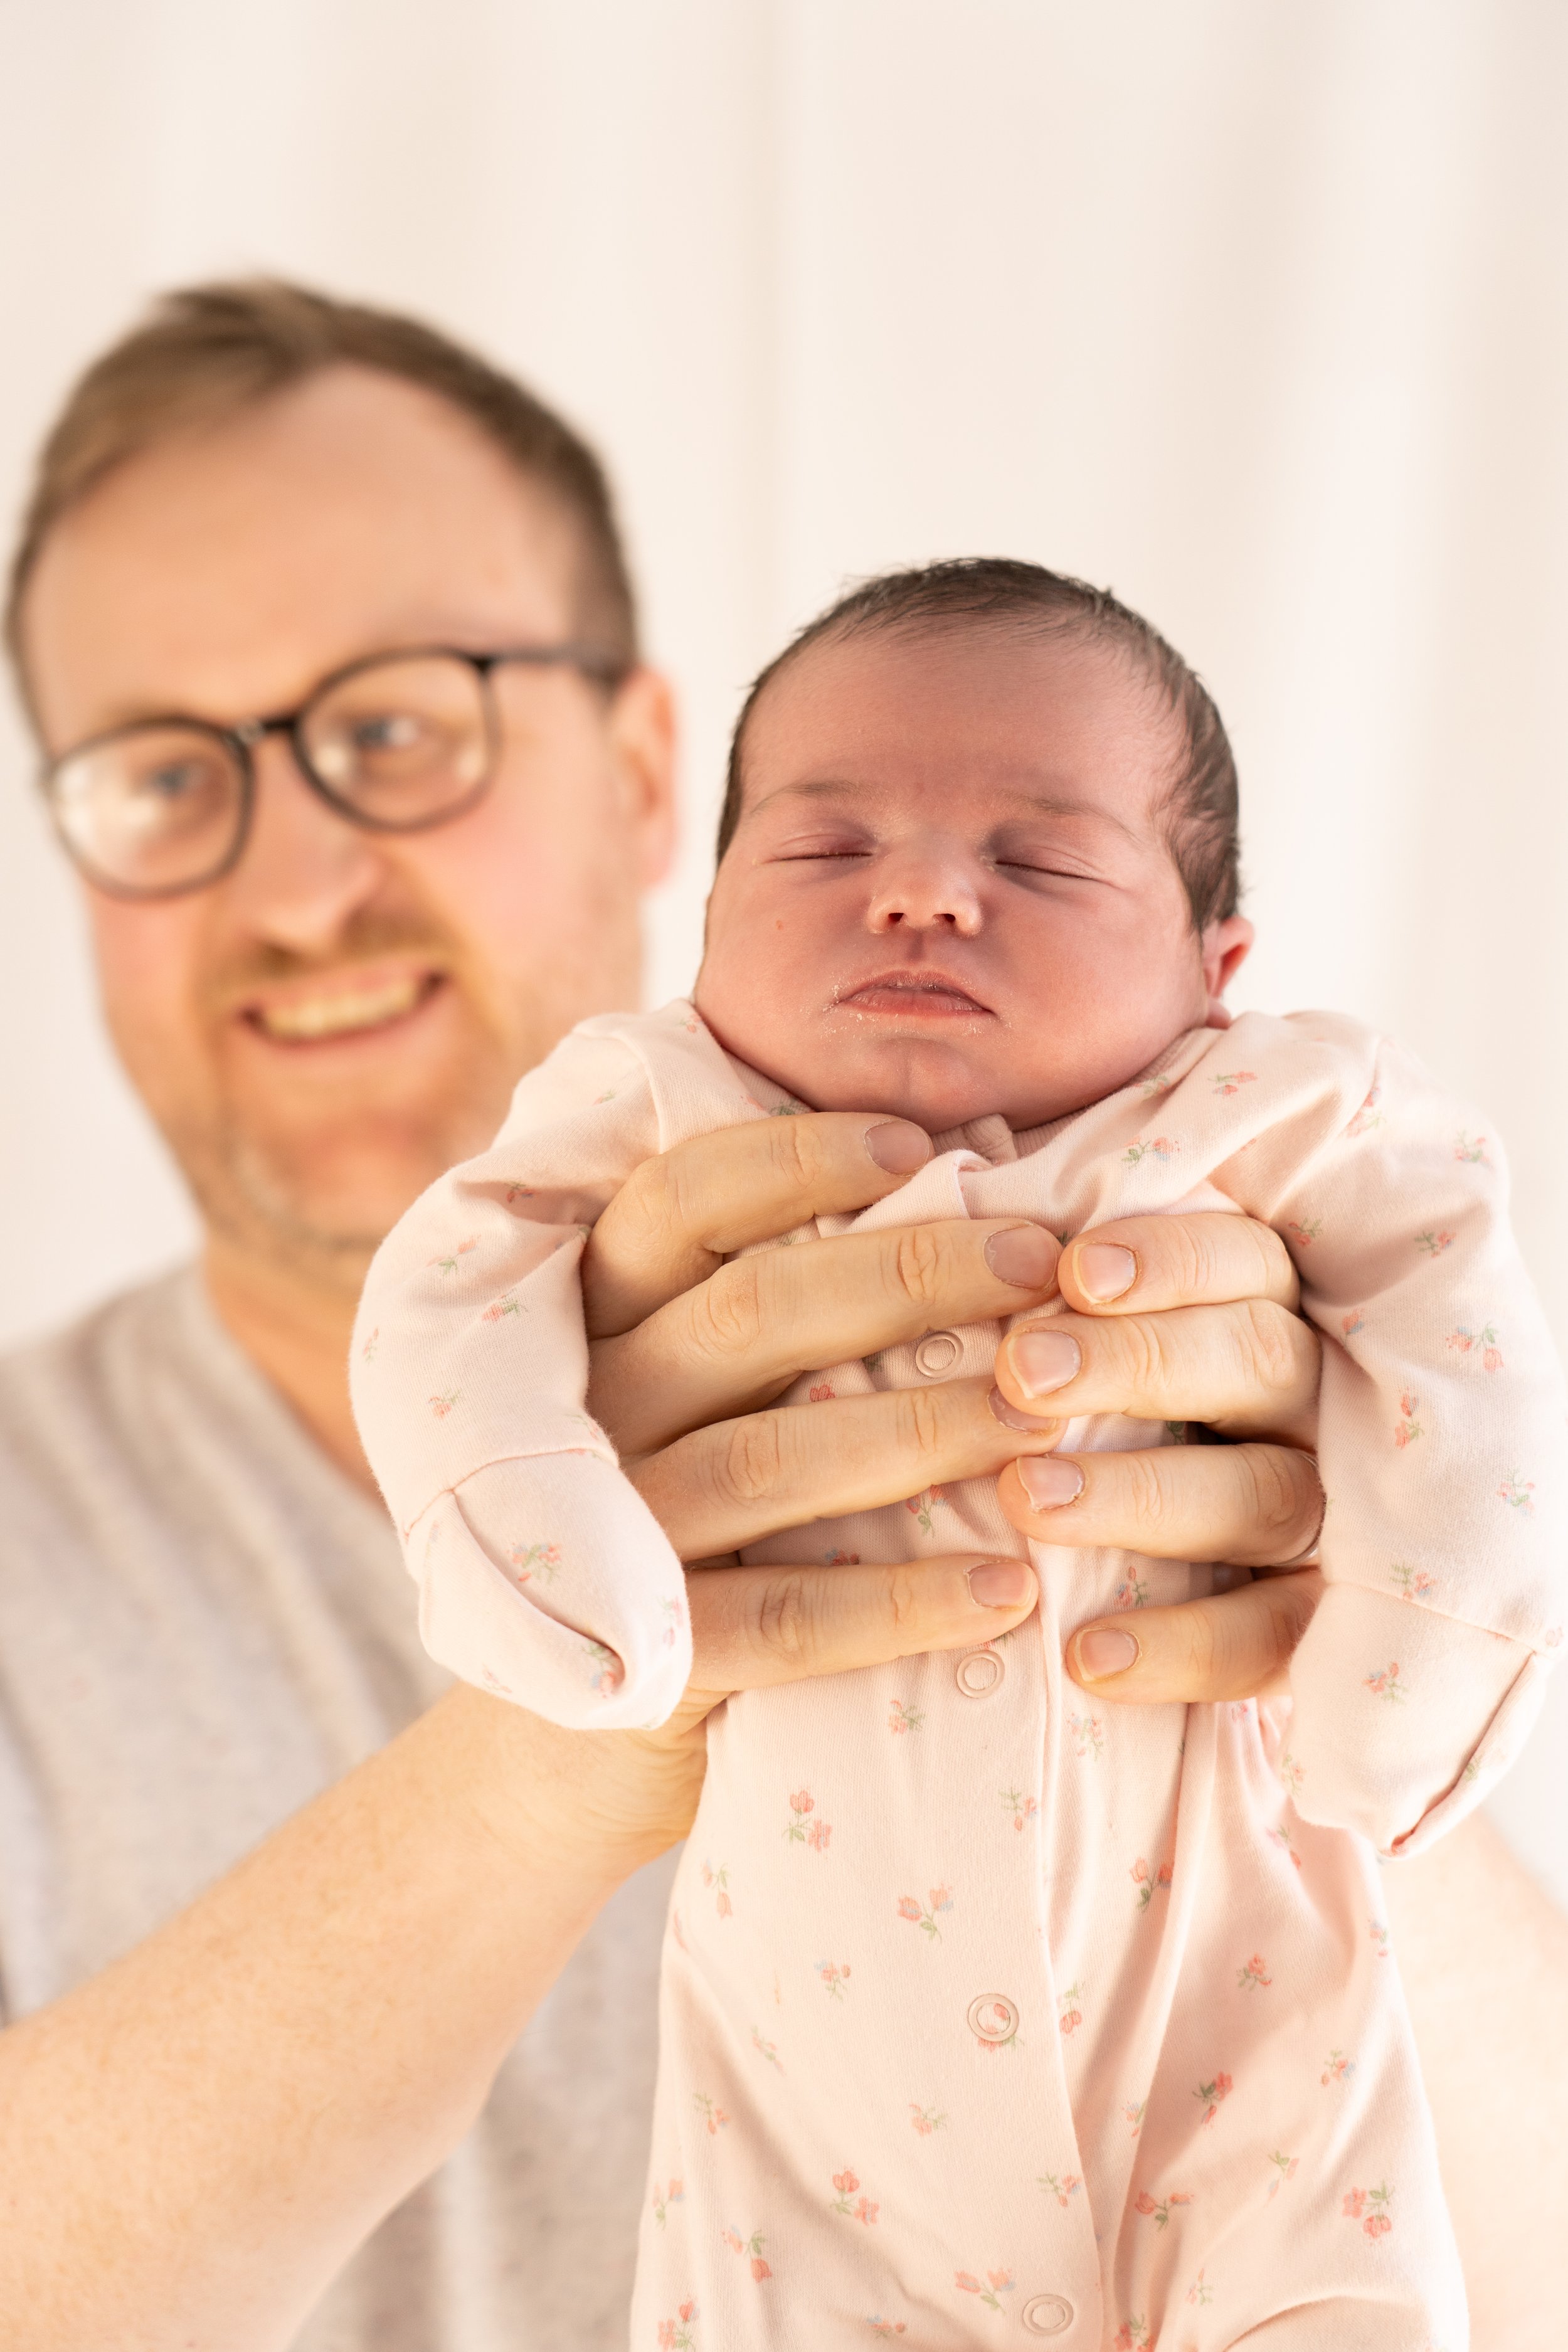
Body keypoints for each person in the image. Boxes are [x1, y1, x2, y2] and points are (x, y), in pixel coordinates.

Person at [0, 281, 1559, 2352]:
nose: (292, 890)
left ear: (651, 775)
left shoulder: (1279, 1252)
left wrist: (1319, 1690)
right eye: (157, 778)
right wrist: (543, 1765)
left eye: (392, 730)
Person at [356, 558, 1565, 2348]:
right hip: (816, 2102)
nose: (920, 895)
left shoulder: (1273, 1113)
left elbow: (1461, 1336)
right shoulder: (647, 1103)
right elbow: (450, 1295)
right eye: (824, 852)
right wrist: (529, 1531)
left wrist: (1422, 1625)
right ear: (700, 927)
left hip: (1231, 2016)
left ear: (1213, 969)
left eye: (1041, 859)